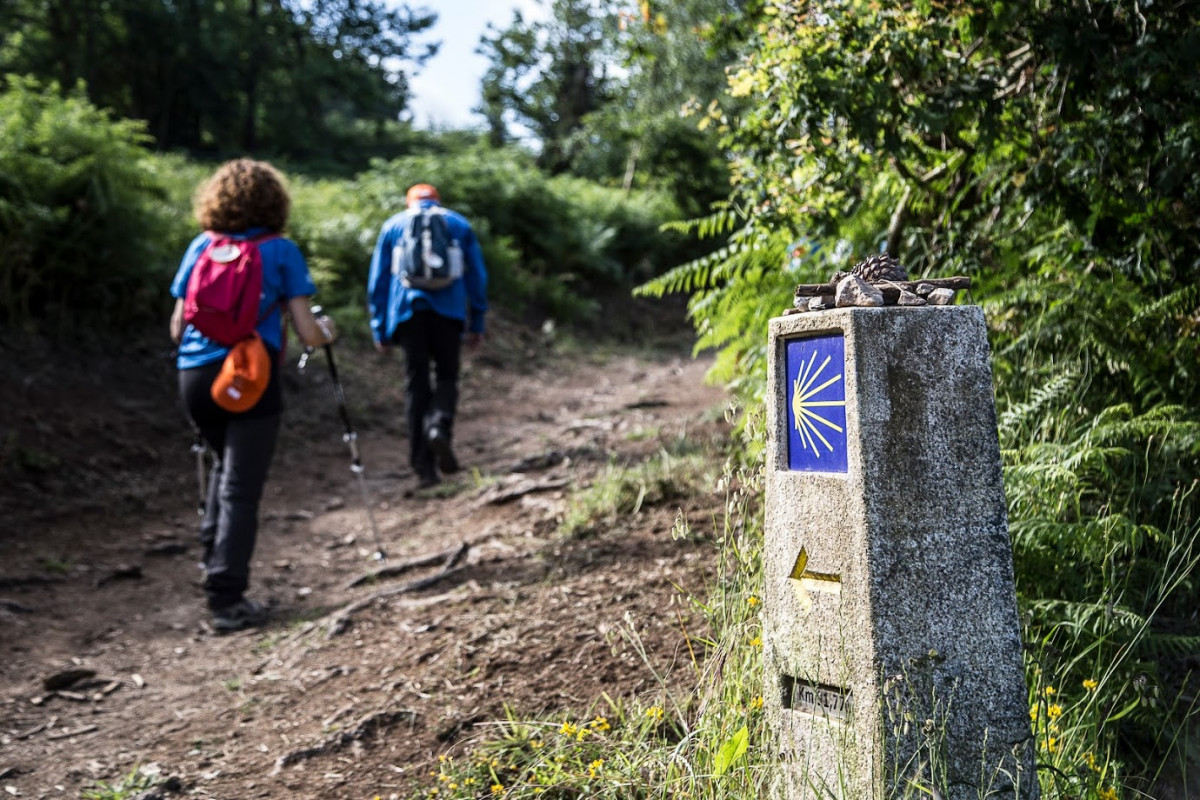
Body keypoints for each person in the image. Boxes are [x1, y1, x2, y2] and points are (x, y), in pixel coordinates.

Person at [169, 159, 337, 633]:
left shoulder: (201, 246)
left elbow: (178, 325)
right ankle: (227, 599)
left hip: (196, 378)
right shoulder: (280, 251)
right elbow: (307, 332)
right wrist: (328, 330)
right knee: (241, 485)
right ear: (274, 201)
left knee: (224, 471)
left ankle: (215, 568)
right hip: (250, 377)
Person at [367, 183, 488, 489]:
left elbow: (378, 280)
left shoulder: (393, 225)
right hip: (449, 313)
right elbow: (477, 276)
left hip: (407, 313)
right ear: (438, 201)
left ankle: (424, 469)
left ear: (409, 202)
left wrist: (379, 326)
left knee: (416, 385)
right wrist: (477, 321)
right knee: (447, 377)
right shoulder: (458, 224)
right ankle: (438, 427)